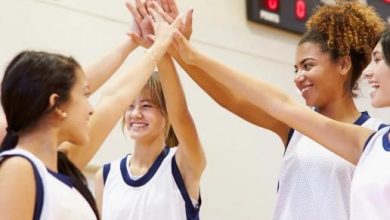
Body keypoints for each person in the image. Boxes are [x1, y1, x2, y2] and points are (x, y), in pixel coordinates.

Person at [163, 0, 386, 219]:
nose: (299, 77)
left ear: (343, 65)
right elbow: (232, 98)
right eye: (296, 69)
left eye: (308, 66)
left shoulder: (374, 138)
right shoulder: (293, 127)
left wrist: (190, 55)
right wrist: (179, 52)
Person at [0, 4, 181, 219]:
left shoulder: (60, 166)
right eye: (85, 95)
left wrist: (138, 41)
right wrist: (158, 46)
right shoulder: (19, 167)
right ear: (56, 105)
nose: (91, 108)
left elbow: (115, 98)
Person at [94, 2, 206, 220]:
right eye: (130, 106)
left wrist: (161, 44)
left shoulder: (183, 164)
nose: (135, 114)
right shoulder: (105, 176)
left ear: (167, 115)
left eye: (146, 106)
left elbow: (182, 117)